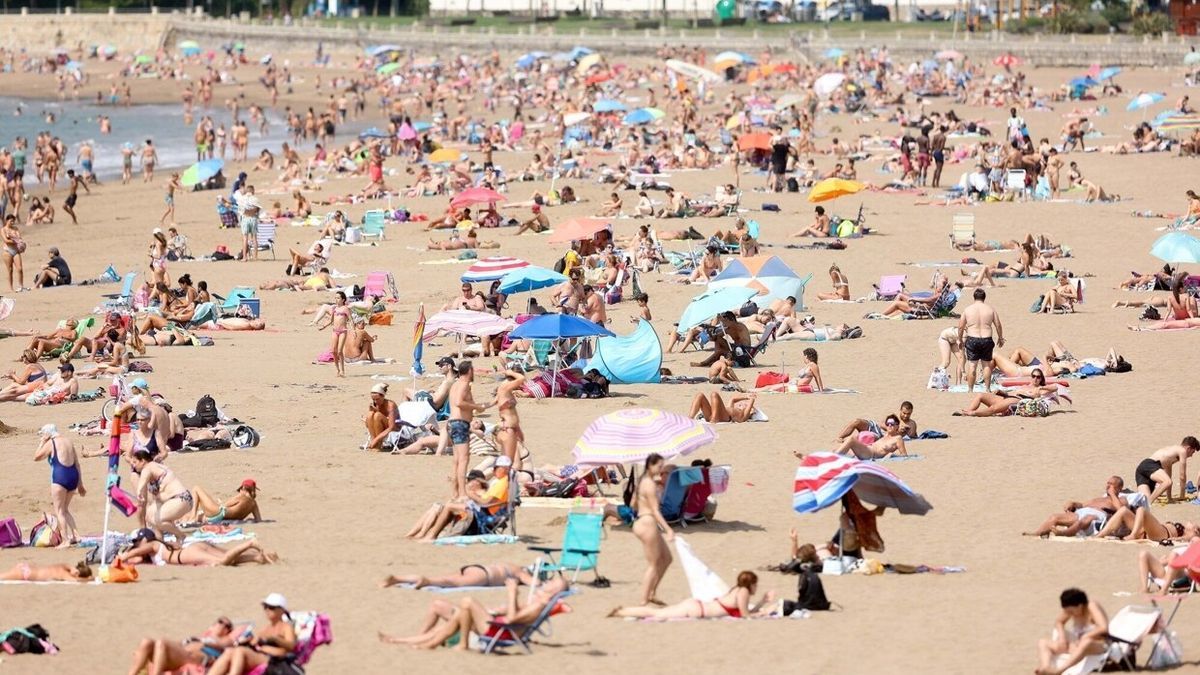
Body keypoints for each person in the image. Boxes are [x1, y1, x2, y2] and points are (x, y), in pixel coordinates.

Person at [378, 576, 569, 651]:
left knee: (467, 603)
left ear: (553, 592)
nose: (548, 582)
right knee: (439, 604)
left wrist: (512, 593)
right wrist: (499, 608)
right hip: (495, 623)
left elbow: (511, 620)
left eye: (552, 582)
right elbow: (512, 614)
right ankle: (413, 641)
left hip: (499, 631)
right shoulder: (537, 602)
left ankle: (457, 644)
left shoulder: (538, 605)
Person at [609, 571, 775, 619]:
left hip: (696, 606)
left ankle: (623, 611)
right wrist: (764, 612)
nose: (756, 587)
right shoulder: (744, 592)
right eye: (756, 584)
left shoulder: (737, 589)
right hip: (696, 610)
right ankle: (621, 612)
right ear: (751, 584)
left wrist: (762, 601)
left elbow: (743, 610)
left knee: (658, 612)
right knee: (657, 613)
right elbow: (745, 615)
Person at [205, 594, 296, 675]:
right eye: (265, 607)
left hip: (273, 660)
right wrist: (249, 641)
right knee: (230, 651)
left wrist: (273, 639)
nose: (267, 610)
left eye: (271, 607)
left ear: (281, 610)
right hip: (258, 655)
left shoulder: (286, 627)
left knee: (240, 651)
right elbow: (255, 641)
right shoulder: (266, 628)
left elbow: (291, 645)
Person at [1023, 476, 1130, 538]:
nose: (1108, 486)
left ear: (1119, 488)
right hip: (1083, 512)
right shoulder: (1098, 499)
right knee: (1055, 517)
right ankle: (1038, 533)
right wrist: (1073, 503)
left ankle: (1063, 533)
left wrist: (1112, 494)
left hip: (1098, 517)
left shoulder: (1122, 499)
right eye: (1107, 483)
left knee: (1084, 520)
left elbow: (1122, 511)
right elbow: (1082, 505)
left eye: (1111, 484)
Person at [631, 453, 674, 606]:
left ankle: (652, 592)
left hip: (642, 521)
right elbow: (656, 511)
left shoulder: (643, 481)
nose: (661, 469)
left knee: (667, 558)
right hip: (647, 523)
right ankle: (644, 600)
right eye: (659, 466)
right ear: (650, 466)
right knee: (654, 564)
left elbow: (632, 504)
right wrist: (668, 529)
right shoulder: (648, 484)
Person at [127, 616, 238, 675]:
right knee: (146, 642)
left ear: (228, 630)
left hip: (192, 657)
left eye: (227, 625)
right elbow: (177, 644)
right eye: (220, 621)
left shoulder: (225, 640)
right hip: (178, 654)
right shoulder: (199, 636)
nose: (222, 625)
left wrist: (202, 642)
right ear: (212, 625)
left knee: (162, 642)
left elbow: (227, 647)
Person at [1034, 588, 1108, 675]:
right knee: (1043, 642)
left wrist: (1086, 636)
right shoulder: (1070, 610)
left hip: (1097, 645)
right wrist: (1062, 638)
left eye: (1071, 611)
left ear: (1080, 606)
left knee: (1086, 642)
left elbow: (1104, 628)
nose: (1069, 614)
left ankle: (1059, 671)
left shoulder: (1091, 606)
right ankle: (1046, 667)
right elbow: (1059, 622)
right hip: (1076, 644)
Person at [33, 424, 84, 547]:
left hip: (60, 476)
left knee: (59, 511)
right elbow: (77, 464)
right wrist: (80, 484)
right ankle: (76, 535)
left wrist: (42, 443)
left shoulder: (51, 443)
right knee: (65, 509)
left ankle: (65, 540)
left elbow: (36, 457)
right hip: (73, 475)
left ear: (48, 434)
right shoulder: (69, 441)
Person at [119, 528, 277, 567]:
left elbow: (131, 556)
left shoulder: (152, 545)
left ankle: (250, 543)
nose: (137, 545)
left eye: (138, 542)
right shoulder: (157, 546)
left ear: (144, 540)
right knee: (229, 557)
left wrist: (118, 559)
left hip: (185, 555)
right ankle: (256, 557)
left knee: (223, 562)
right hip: (192, 548)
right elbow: (135, 559)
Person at [131, 449, 192, 542]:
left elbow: (143, 479)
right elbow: (155, 500)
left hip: (181, 498)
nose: (133, 465)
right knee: (150, 515)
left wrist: (139, 491)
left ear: (143, 461)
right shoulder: (153, 471)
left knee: (157, 520)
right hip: (174, 501)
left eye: (135, 462)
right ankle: (160, 540)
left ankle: (180, 535)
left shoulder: (149, 467)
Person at [449, 361, 489, 499]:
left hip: (453, 423)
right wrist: (475, 406)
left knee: (456, 460)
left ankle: (455, 492)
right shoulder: (464, 384)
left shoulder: (455, 384)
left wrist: (481, 405)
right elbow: (459, 403)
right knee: (464, 459)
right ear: (469, 371)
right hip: (460, 423)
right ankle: (461, 493)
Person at [958, 287, 1004, 392]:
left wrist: (960, 339)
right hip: (986, 339)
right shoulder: (990, 309)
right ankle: (987, 389)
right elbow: (998, 325)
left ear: (974, 297)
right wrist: (1000, 338)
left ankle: (970, 389)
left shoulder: (968, 309)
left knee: (972, 365)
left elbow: (961, 326)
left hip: (972, 338)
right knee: (986, 365)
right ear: (984, 298)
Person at [1134, 437, 1200, 504]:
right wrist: (1182, 495)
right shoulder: (1182, 451)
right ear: (1188, 448)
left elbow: (1168, 476)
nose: (1191, 455)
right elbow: (1182, 476)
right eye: (1193, 452)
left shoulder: (1169, 456)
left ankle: (1146, 501)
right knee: (1167, 482)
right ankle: (1149, 502)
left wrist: (1169, 498)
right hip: (1150, 465)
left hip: (1141, 470)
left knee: (1143, 499)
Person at [381, 562, 536, 590]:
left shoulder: (510, 564)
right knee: (448, 582)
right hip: (484, 576)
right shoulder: (520, 572)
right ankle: (427, 581)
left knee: (443, 577)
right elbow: (532, 583)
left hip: (475, 567)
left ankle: (398, 579)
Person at [492, 368, 526, 471]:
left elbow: (493, 403)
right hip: (508, 428)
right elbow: (522, 378)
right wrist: (511, 372)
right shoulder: (505, 387)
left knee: (510, 462)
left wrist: (518, 430)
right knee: (511, 464)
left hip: (511, 427)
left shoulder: (505, 390)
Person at [186, 479, 262, 524]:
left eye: (240, 489)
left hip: (219, 514)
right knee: (201, 516)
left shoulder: (241, 496)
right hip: (225, 519)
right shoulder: (254, 504)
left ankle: (192, 517)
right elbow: (258, 520)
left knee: (196, 488)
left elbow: (225, 506)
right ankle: (191, 518)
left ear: (243, 488)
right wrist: (248, 520)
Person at [832, 415, 908, 459]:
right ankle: (835, 456)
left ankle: (833, 458)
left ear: (897, 425)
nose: (889, 426)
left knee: (851, 439)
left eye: (892, 423)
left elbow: (904, 455)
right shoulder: (884, 435)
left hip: (871, 454)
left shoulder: (898, 438)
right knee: (836, 448)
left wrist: (893, 455)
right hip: (867, 448)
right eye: (887, 424)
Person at [836, 402, 918, 442]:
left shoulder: (912, 424)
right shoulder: (893, 416)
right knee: (856, 421)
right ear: (900, 410)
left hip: (880, 436)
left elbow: (910, 437)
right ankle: (839, 437)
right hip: (875, 427)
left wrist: (901, 432)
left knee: (864, 439)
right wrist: (892, 428)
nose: (906, 416)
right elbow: (881, 424)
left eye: (908, 414)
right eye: (904, 413)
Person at [317, 291, 350, 377]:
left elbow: (351, 319)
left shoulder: (345, 308)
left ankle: (342, 370)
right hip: (335, 331)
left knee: (339, 351)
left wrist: (354, 329)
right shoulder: (334, 308)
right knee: (333, 351)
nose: (336, 299)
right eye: (335, 298)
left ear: (343, 300)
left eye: (338, 298)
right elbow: (330, 320)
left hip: (343, 331)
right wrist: (323, 327)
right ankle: (337, 370)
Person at [688, 391, 758, 423]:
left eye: (745, 405)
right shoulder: (732, 408)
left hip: (725, 417)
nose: (742, 404)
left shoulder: (743, 415)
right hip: (715, 414)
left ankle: (714, 419)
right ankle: (689, 419)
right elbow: (732, 399)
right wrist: (746, 397)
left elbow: (751, 403)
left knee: (714, 394)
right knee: (700, 395)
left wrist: (752, 399)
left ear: (751, 411)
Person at [234, 184, 260, 262]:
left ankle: (245, 257)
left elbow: (240, 211)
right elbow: (257, 210)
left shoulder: (242, 199)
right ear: (253, 191)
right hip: (253, 218)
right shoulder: (255, 199)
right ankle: (255, 257)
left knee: (245, 238)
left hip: (245, 219)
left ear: (247, 191)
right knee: (254, 238)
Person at [0, 560, 92, 582]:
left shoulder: (63, 567)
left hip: (26, 568)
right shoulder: (64, 573)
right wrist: (90, 579)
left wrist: (72, 568)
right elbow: (76, 581)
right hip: (26, 573)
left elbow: (68, 566)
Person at [2, 214, 26, 292]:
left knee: (20, 269)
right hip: (7, 251)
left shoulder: (15, 228)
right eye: (10, 221)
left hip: (16, 250)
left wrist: (13, 238)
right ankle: (11, 288)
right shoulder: (3, 229)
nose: (12, 222)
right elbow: (6, 241)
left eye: (13, 221)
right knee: (10, 270)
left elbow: (20, 238)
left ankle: (21, 286)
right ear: (7, 220)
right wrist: (15, 240)